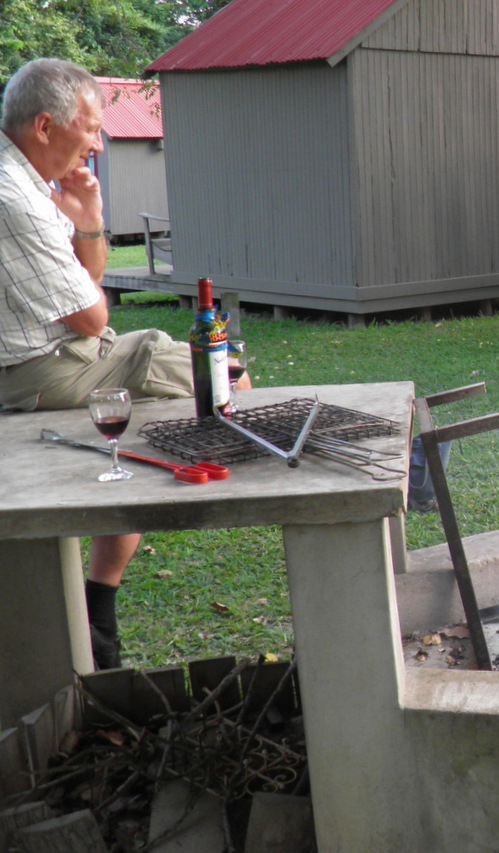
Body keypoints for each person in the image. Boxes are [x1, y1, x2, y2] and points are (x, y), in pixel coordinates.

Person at [0, 58, 244, 668]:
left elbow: (87, 290)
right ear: (45, 126)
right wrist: (87, 273)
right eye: (91, 127)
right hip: (38, 370)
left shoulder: (30, 183)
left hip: (62, 354)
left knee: (185, 377)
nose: (99, 143)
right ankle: (98, 608)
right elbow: (92, 317)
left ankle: (98, 614)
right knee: (213, 370)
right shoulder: (12, 197)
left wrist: (89, 222)